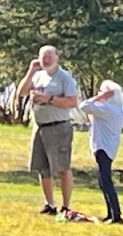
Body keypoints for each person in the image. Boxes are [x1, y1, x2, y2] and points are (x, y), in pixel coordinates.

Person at [17, 45, 79, 216]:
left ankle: (66, 206)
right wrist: (30, 72)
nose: (47, 59)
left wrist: (50, 99)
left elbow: (72, 102)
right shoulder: (38, 76)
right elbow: (21, 92)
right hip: (40, 126)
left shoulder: (64, 78)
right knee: (42, 167)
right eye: (43, 56)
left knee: (62, 167)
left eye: (50, 56)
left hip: (58, 126)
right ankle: (49, 204)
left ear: (57, 57)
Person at [79, 80, 123, 224]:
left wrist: (100, 97)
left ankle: (116, 215)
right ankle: (111, 213)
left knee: (106, 181)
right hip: (106, 147)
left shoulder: (107, 109)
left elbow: (84, 106)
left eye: (102, 92)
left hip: (103, 148)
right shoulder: (117, 109)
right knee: (103, 181)